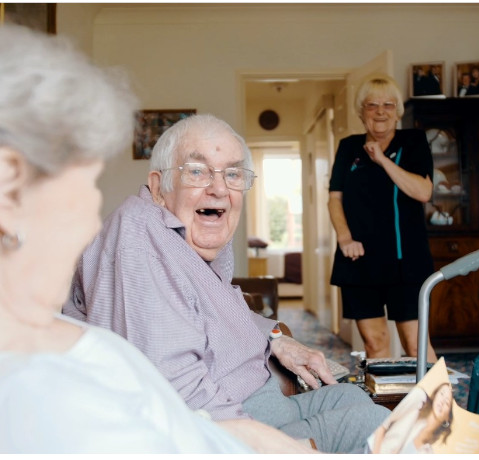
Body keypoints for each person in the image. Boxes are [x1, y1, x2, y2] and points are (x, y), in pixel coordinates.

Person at [0, 7, 314, 454]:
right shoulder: (32, 408)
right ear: (5, 189)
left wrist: (248, 435)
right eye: (86, 187)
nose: (92, 226)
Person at [63, 113, 390, 453]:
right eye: (197, 171)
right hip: (226, 429)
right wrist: (274, 447)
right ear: (159, 188)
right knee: (374, 425)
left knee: (352, 397)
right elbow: (177, 395)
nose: (219, 189)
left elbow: (215, 312)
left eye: (232, 174)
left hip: (258, 405)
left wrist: (275, 338)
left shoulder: (186, 238)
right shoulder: (140, 237)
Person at [328, 75, 438, 362]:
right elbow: (334, 198)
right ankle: (386, 395)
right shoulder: (348, 147)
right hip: (359, 260)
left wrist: (383, 160)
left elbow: (423, 191)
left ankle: (438, 395)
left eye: (388, 104)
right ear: (361, 111)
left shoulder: (413, 141)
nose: (380, 111)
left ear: (397, 111)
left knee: (416, 346)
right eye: (372, 105)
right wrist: (345, 238)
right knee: (374, 343)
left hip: (407, 262)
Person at [371, 382, 454, 454]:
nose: (442, 401)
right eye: (441, 394)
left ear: (447, 418)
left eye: (447, 402)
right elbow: (383, 426)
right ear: (435, 395)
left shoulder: (428, 451)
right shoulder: (418, 398)